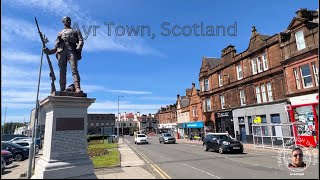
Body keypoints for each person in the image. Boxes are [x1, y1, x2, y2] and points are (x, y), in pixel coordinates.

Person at [44, 16, 84, 93]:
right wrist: (48, 51)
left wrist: (79, 46)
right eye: (66, 20)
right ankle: (62, 89)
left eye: (69, 20)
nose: (68, 21)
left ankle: (77, 87)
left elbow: (81, 40)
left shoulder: (76, 31)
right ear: (63, 22)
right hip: (61, 52)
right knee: (62, 71)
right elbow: (55, 47)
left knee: (74, 69)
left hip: (71, 50)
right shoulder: (60, 33)